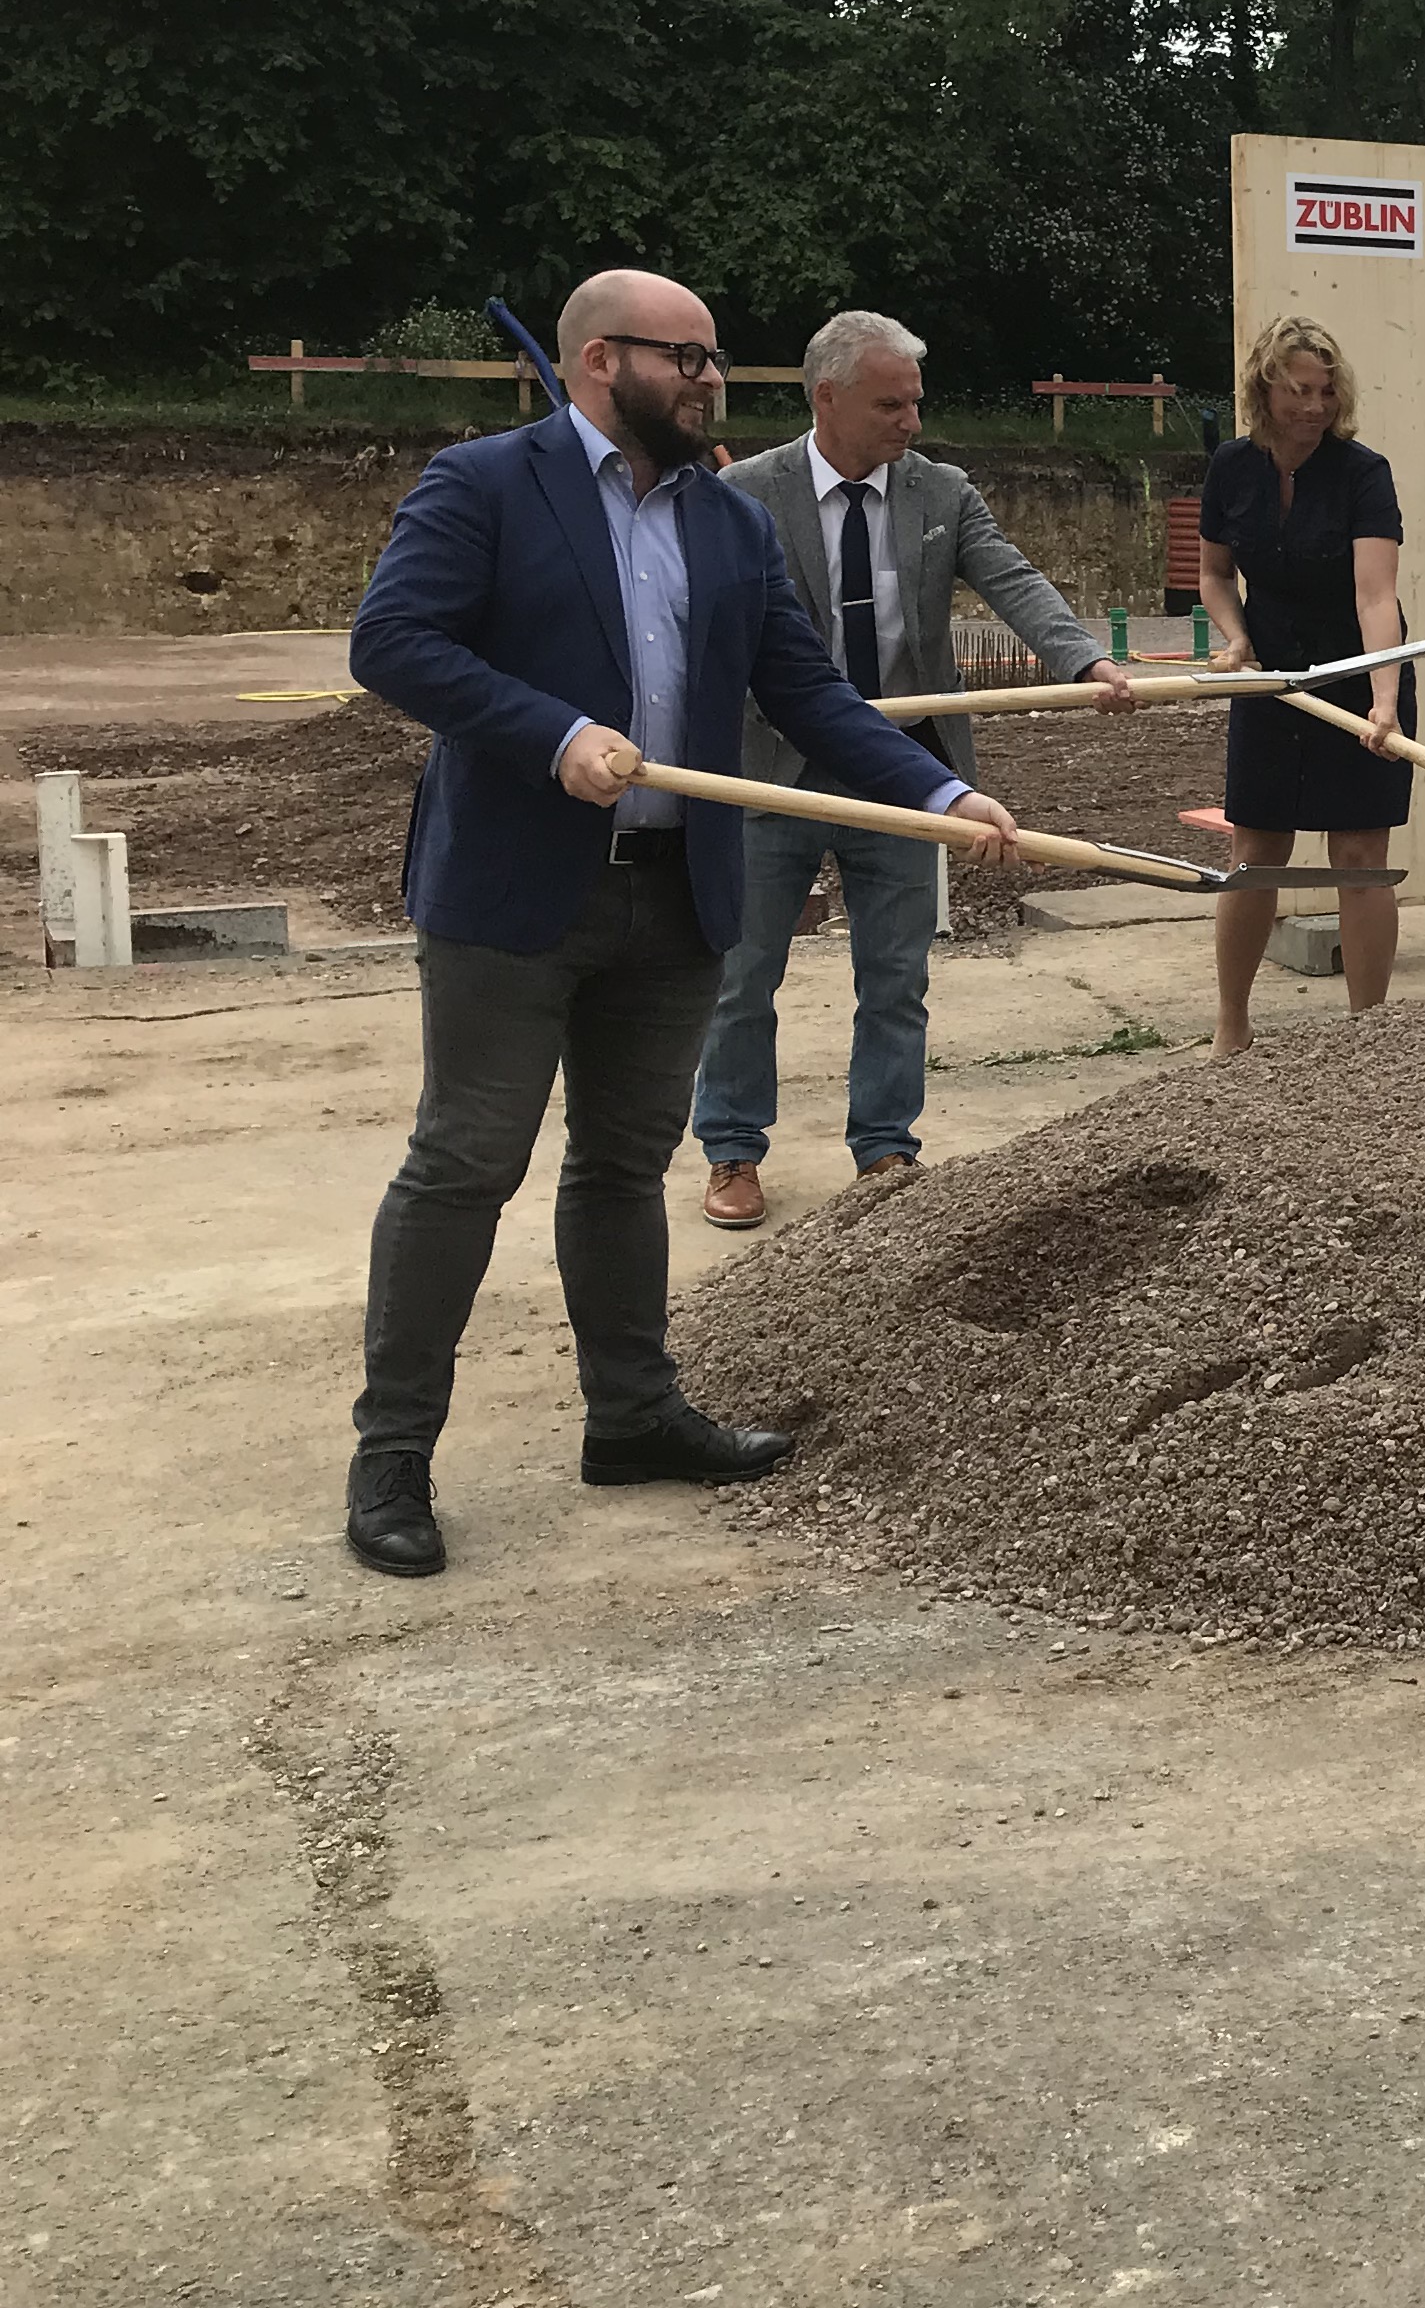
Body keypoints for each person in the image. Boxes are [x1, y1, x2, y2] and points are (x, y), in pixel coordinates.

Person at [341, 270, 1022, 1578]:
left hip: (675, 894)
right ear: (600, 360)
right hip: (513, 897)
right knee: (466, 1164)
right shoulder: (486, 484)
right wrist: (554, 734)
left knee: (621, 1165)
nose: (711, 380)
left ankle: (633, 1415)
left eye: (714, 359)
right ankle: (393, 1457)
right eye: (687, 358)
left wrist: (938, 792)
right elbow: (395, 642)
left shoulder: (727, 521)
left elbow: (809, 693)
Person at [693, 310, 1131, 1224]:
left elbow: (1013, 580)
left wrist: (1083, 660)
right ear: (827, 398)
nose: (912, 422)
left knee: (896, 975)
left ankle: (885, 1147)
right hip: (772, 768)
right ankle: (731, 1147)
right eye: (891, 405)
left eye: (915, 403)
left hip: (905, 769)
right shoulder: (746, 494)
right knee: (743, 974)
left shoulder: (942, 494)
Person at [1200, 315, 1416, 1046]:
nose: (1314, 406)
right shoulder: (1232, 467)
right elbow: (1214, 574)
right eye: (1298, 390)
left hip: (1357, 673)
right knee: (1255, 852)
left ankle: (1366, 1036)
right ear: (1264, 389)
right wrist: (1236, 638)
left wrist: (1384, 699)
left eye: (1326, 391)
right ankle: (1232, 1027)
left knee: (1359, 856)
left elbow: (1375, 597)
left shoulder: (1363, 473)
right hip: (1272, 678)